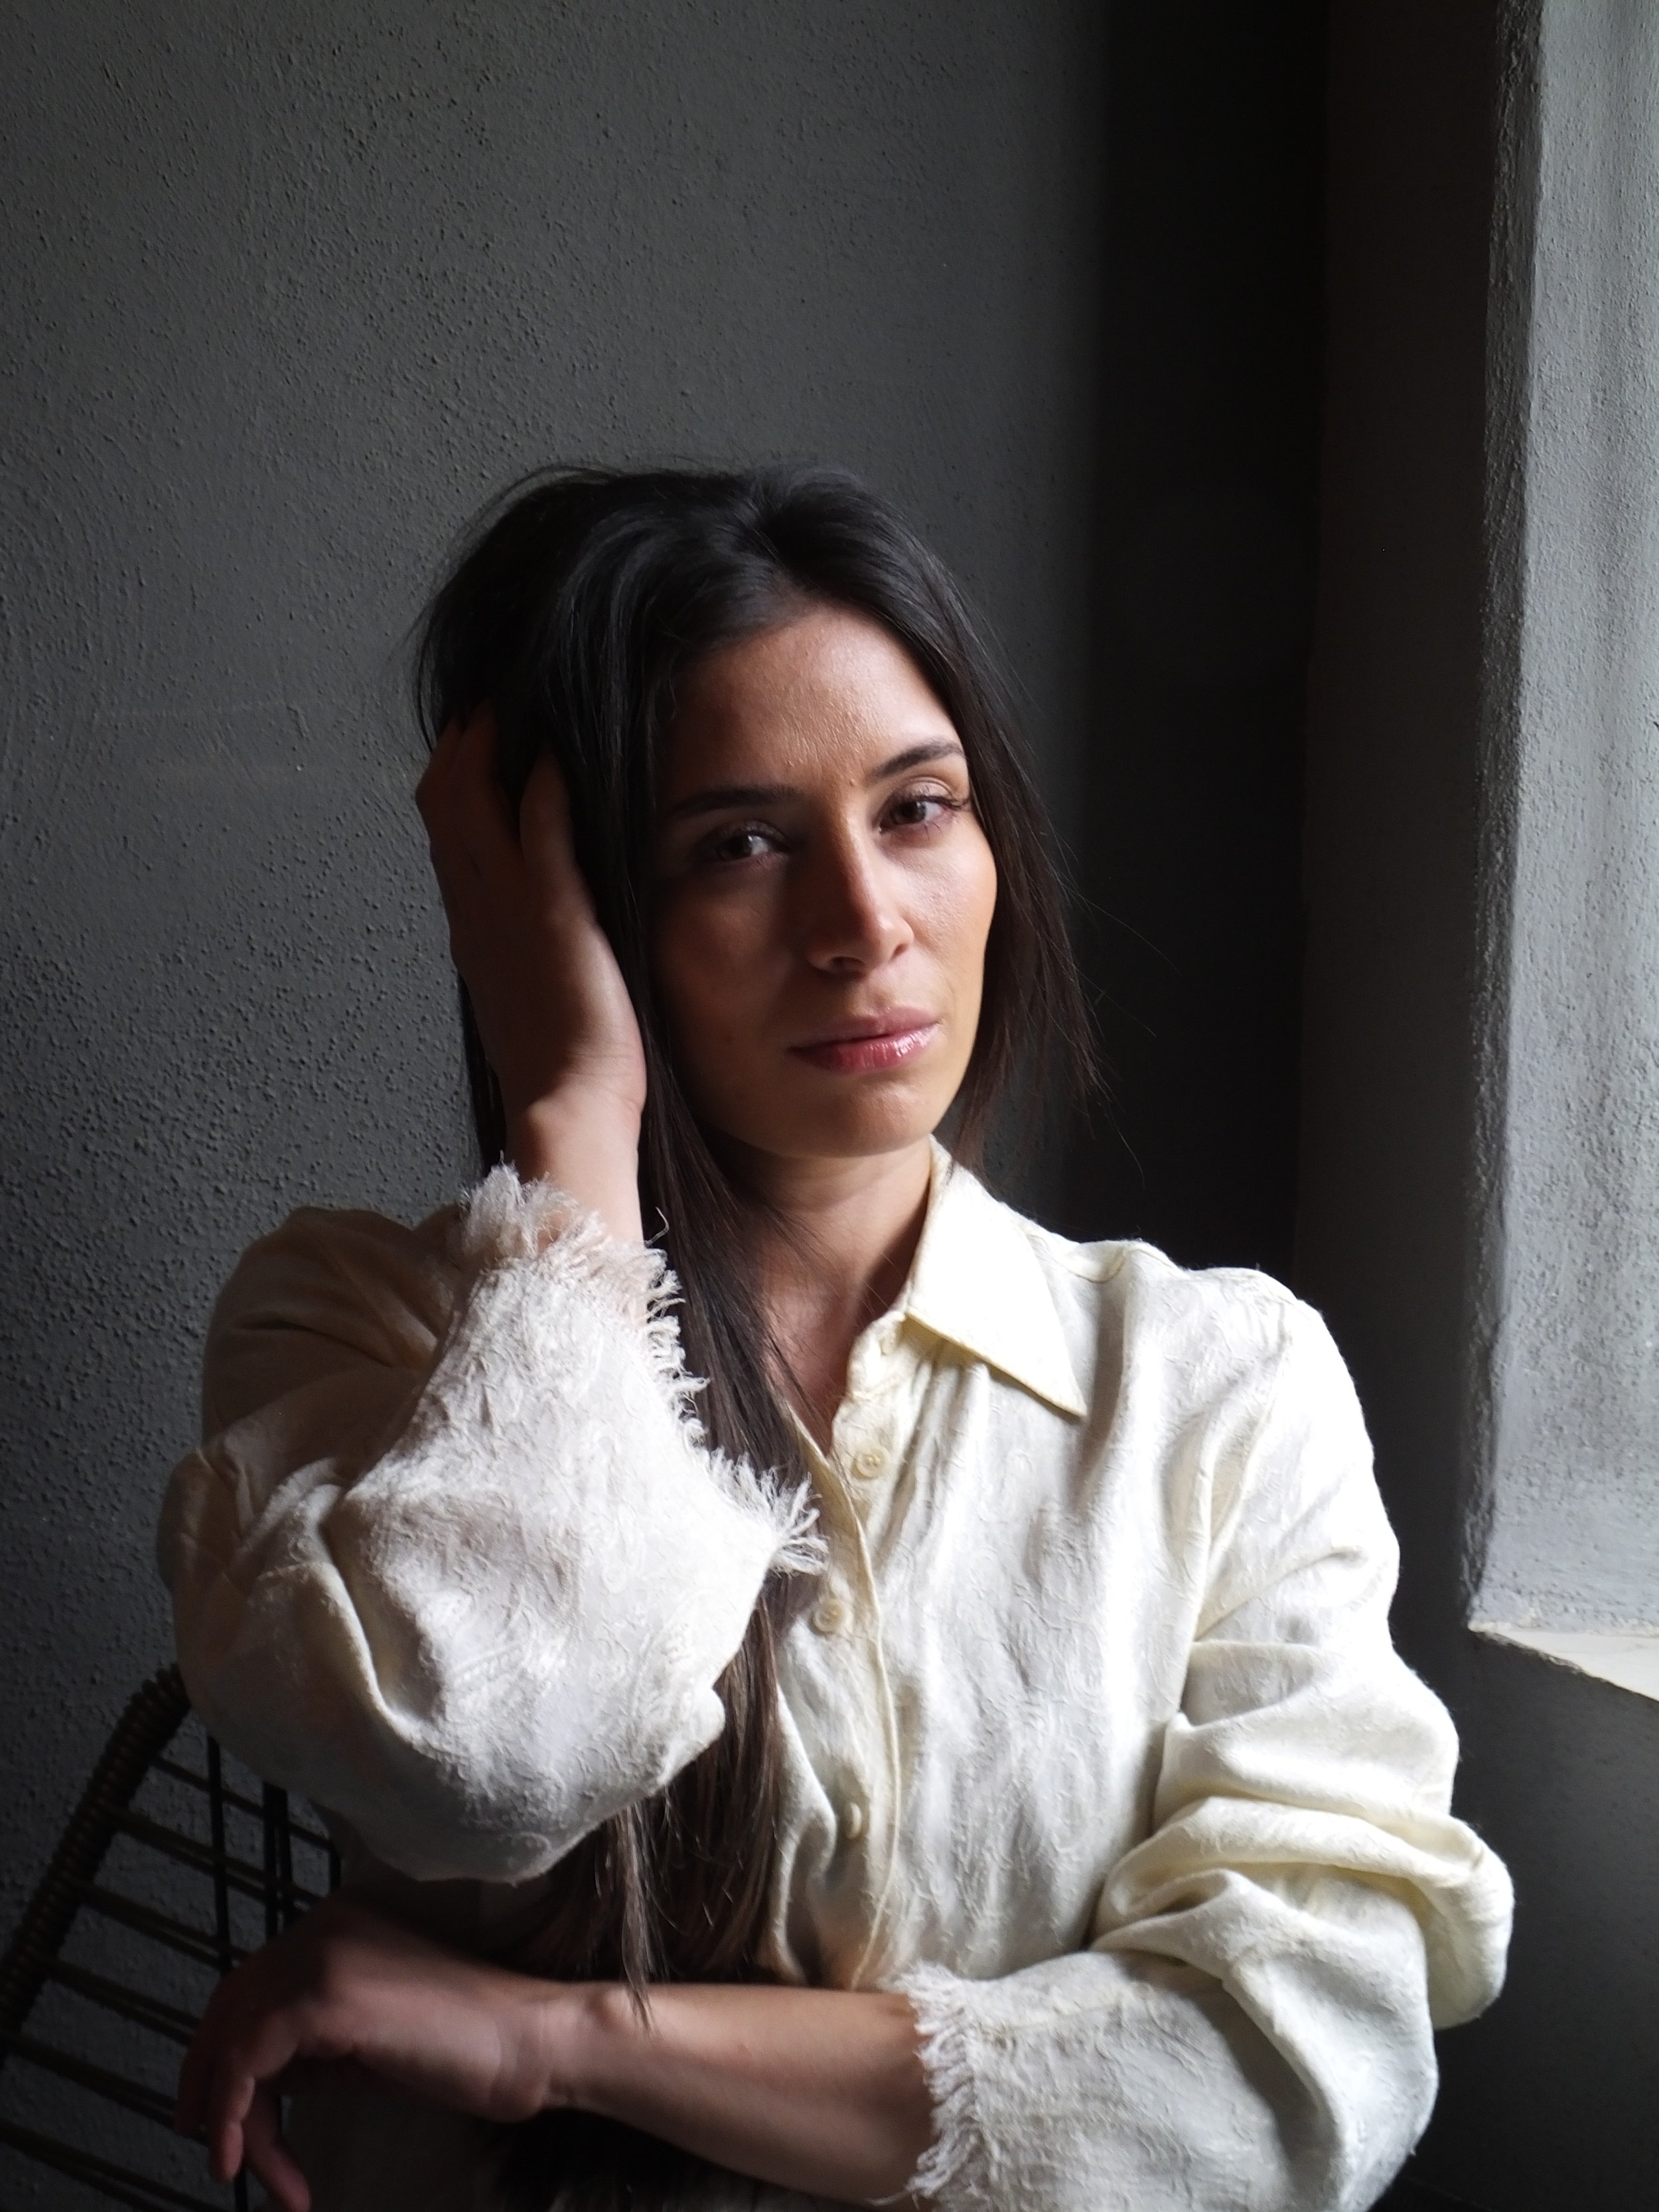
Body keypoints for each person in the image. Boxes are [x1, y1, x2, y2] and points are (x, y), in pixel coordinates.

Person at [159, 466, 1512, 2212]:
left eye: (918, 808)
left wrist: (554, 2038)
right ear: (566, 904)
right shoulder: (353, 1329)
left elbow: (1287, 2074)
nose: (866, 923)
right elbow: (475, 1762)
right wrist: (574, 1111)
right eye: (736, 841)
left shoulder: (1215, 1391)